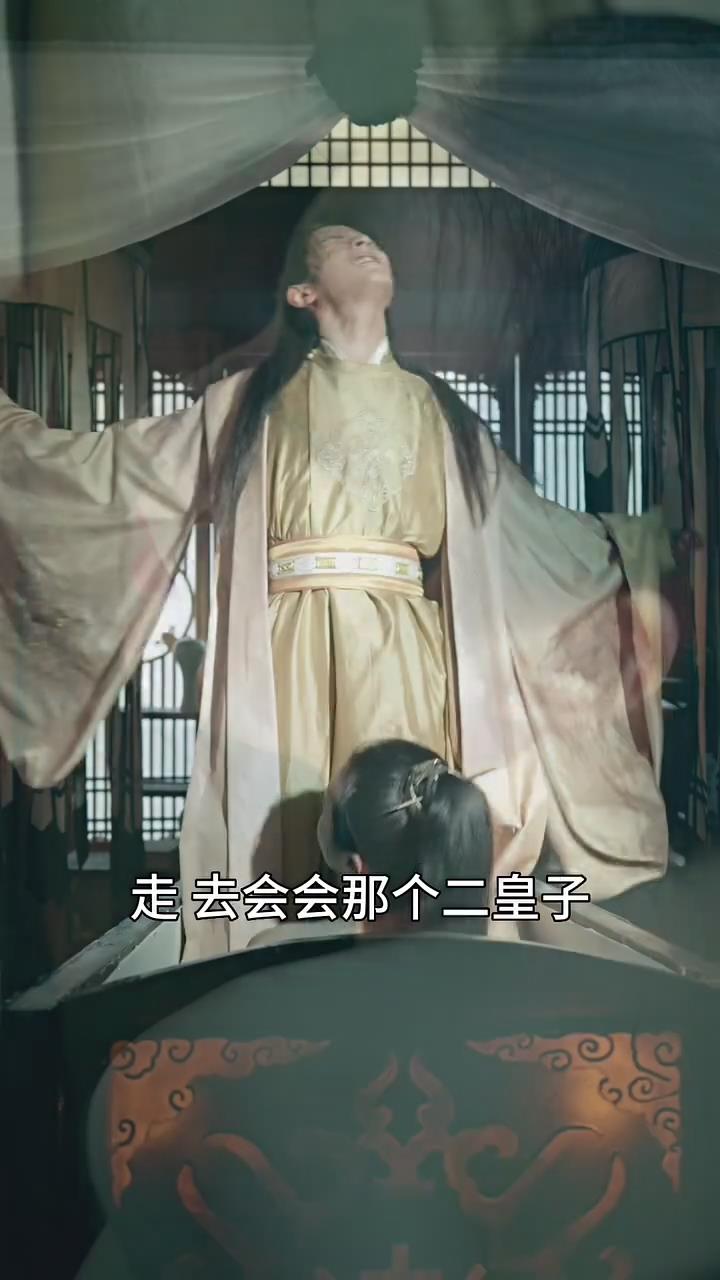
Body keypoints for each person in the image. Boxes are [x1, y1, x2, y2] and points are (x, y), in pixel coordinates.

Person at [0, 206, 682, 962]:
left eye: (372, 240)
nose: (365, 244)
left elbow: (532, 533)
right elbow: (119, 479)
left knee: (404, 828)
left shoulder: (439, 412)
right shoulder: (251, 401)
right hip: (286, 656)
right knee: (292, 843)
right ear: (303, 294)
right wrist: (16, 452)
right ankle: (288, 991)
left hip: (407, 655)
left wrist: (639, 545)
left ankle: (415, 982)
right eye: (340, 243)